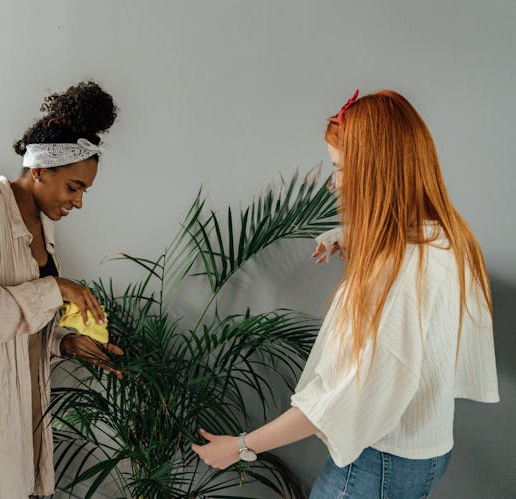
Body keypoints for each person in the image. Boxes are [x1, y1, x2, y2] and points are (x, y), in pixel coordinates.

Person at [191, 90, 499, 498]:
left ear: (377, 170)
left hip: (376, 466)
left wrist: (240, 447)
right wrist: (347, 235)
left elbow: (341, 398)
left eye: (340, 169)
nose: (335, 186)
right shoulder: (445, 239)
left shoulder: (396, 274)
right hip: (428, 451)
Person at [0, 80, 124, 499]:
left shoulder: (43, 223)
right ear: (39, 171)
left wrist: (66, 343)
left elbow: (21, 323)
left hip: (25, 402)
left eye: (84, 190)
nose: (79, 202)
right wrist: (56, 287)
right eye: (74, 187)